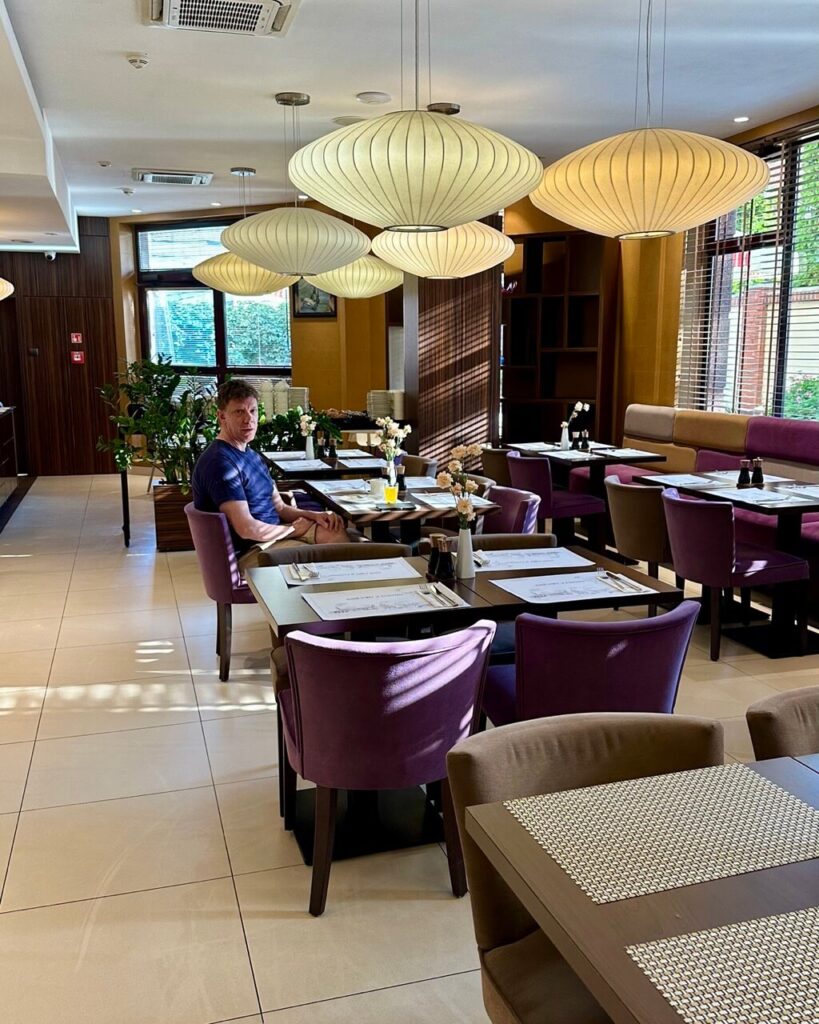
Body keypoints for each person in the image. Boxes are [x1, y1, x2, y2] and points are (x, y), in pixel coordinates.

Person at [192, 379, 350, 570]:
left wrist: (315, 516)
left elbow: (280, 508)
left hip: (274, 536)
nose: (248, 419)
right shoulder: (221, 463)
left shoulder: (252, 456)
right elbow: (246, 529)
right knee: (327, 559)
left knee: (336, 535)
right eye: (239, 412)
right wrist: (291, 530)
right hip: (252, 550)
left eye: (253, 411)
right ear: (221, 417)